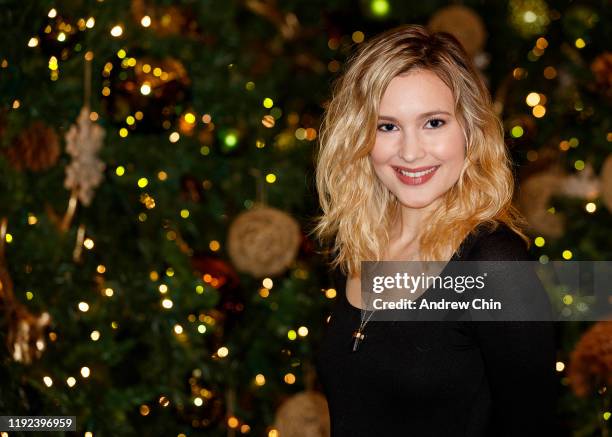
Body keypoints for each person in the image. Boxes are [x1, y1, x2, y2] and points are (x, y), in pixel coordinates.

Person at [310, 24, 558, 436]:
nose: (409, 151)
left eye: (433, 123)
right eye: (387, 126)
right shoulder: (359, 244)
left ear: (470, 128)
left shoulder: (493, 264)